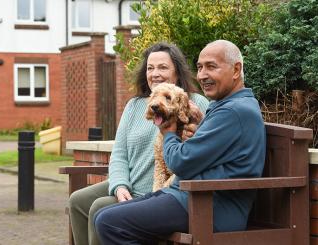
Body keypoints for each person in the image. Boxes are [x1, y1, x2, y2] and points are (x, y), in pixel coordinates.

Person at [94, 40, 266, 244]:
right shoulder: (227, 107)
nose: (202, 74)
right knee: (104, 215)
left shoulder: (232, 111)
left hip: (209, 205)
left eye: (211, 67)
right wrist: (200, 129)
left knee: (109, 221)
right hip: (189, 196)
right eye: (200, 67)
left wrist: (168, 133)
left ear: (236, 70)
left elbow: (179, 162)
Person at [68, 42, 209, 245]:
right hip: (131, 184)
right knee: (78, 200)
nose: (155, 74)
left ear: (177, 72)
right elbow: (119, 154)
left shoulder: (193, 104)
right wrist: (119, 185)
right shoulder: (135, 106)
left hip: (156, 193)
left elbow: (201, 150)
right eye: (150, 68)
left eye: (162, 67)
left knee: (99, 207)